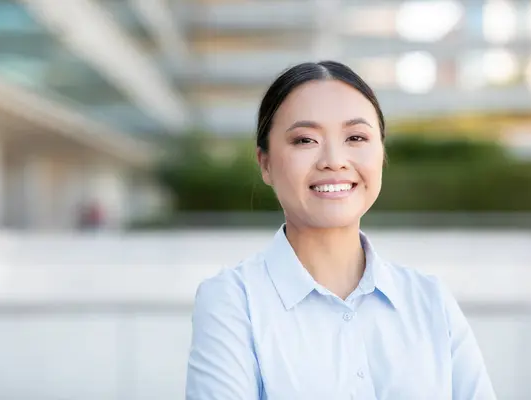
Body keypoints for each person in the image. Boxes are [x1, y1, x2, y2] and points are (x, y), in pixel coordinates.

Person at [185, 61, 496, 399]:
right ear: (266, 163)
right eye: (305, 140)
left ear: (381, 154)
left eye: (356, 137)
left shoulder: (430, 299)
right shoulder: (233, 301)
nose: (334, 160)